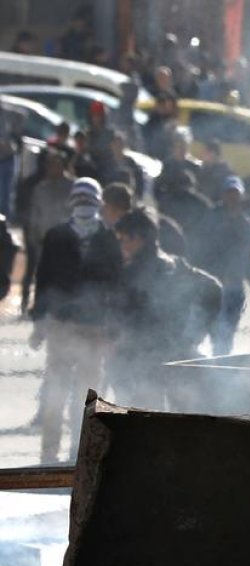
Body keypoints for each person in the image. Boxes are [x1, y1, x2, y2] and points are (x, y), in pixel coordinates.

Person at [28, 178, 121, 462]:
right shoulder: (56, 235)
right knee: (55, 392)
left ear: (98, 204)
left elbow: (116, 286)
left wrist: (113, 329)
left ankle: (78, 454)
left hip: (95, 329)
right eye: (79, 200)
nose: (84, 206)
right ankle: (48, 455)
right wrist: (39, 322)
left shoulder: (108, 238)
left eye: (89, 201)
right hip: (61, 326)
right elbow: (43, 280)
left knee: (87, 397)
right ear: (72, 203)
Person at [110, 209, 221, 409]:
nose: (122, 245)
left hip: (142, 363)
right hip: (177, 355)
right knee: (177, 421)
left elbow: (120, 321)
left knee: (146, 426)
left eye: (124, 239)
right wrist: (196, 333)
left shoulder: (131, 273)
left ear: (140, 239)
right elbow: (213, 288)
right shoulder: (177, 265)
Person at [203, 176, 250, 355]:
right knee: (217, 330)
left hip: (235, 286)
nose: (232, 198)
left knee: (227, 332)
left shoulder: (246, 224)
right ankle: (218, 364)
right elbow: (203, 250)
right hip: (215, 284)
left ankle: (222, 362)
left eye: (236, 194)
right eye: (229, 193)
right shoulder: (211, 219)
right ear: (222, 195)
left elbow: (249, 256)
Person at [23, 149, 74, 315]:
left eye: (56, 164)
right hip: (43, 239)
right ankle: (37, 306)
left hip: (66, 241)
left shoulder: (72, 187)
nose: (52, 168)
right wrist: (33, 235)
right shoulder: (41, 188)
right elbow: (34, 214)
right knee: (41, 274)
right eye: (50, 164)